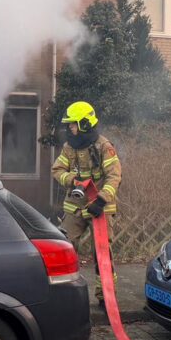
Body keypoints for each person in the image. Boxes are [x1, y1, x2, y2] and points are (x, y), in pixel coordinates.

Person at [51, 101, 121, 305]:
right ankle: (65, 294)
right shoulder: (68, 147)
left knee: (101, 253)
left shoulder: (104, 146)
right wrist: (72, 179)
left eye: (73, 124)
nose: (70, 128)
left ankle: (106, 297)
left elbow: (114, 176)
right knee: (64, 247)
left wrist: (101, 200)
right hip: (75, 207)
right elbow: (57, 170)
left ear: (84, 123)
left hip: (100, 208)